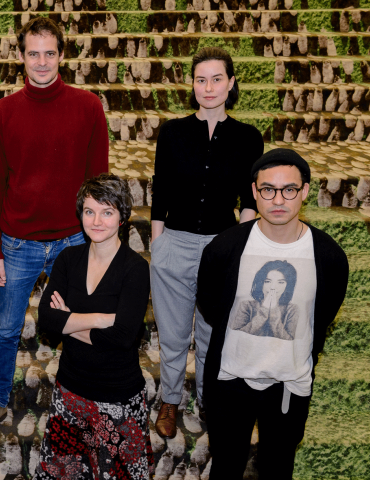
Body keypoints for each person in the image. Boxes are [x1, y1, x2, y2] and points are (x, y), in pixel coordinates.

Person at [0, 16, 109, 436]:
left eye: (49, 53)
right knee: (6, 329)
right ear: (20, 56)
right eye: (33, 53)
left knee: (79, 324)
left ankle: (82, 396)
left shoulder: (88, 107)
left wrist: (97, 244)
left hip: (73, 240)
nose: (41, 62)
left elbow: (99, 181)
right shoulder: (4, 112)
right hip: (17, 243)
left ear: (61, 55)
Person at [197, 149, 349, 479]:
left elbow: (321, 315)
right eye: (268, 189)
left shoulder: (328, 256)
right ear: (254, 191)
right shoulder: (224, 247)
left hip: (289, 386)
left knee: (278, 469)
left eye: (289, 189)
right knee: (225, 467)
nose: (278, 200)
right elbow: (210, 304)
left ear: (304, 191)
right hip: (230, 381)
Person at [150, 46, 264, 438]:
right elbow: (161, 191)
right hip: (174, 243)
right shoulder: (173, 132)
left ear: (231, 83)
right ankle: (170, 400)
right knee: (173, 334)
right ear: (193, 85)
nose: (209, 87)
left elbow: (249, 200)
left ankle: (208, 401)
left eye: (217, 79)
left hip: (222, 246)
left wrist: (239, 248)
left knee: (213, 335)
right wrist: (158, 246)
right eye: (201, 79)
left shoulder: (248, 138)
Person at [35, 174, 154, 479]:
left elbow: (123, 337)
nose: (97, 221)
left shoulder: (135, 268)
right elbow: (47, 320)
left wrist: (69, 321)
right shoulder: (68, 258)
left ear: (122, 217)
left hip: (117, 397)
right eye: (90, 211)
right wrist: (102, 319)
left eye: (107, 212)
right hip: (70, 392)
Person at [231, 260, 299, 340]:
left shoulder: (292, 309)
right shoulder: (246, 305)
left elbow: (289, 340)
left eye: (280, 282)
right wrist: (264, 310)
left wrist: (273, 311)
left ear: (287, 285)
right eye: (267, 281)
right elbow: (236, 336)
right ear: (261, 283)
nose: (273, 287)